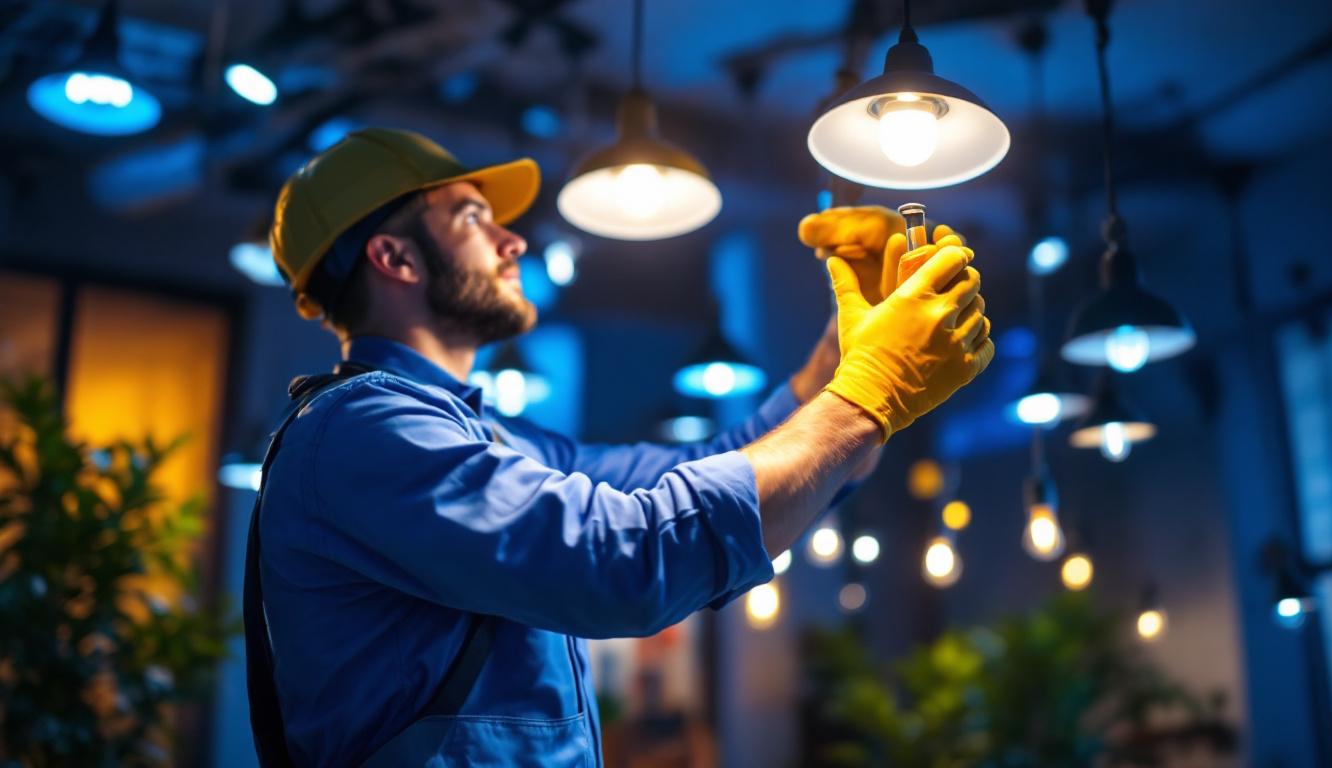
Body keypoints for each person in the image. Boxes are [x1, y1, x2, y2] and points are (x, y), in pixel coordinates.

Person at [248, 127, 993, 767]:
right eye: (473, 217)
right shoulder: (362, 431)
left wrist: (842, 356)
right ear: (395, 258)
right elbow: (624, 560)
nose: (513, 240)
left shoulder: (493, 441)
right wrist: (865, 396)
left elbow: (710, 473)